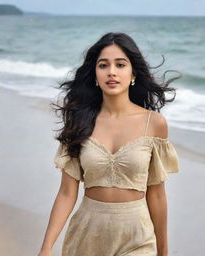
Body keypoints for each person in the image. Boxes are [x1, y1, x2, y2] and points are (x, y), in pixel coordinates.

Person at [38, 32, 181, 256]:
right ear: (95, 75)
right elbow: (67, 192)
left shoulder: (153, 124)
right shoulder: (79, 122)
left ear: (133, 72)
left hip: (137, 238)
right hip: (87, 235)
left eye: (120, 64)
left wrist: (163, 251)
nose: (111, 71)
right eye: (103, 65)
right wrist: (46, 248)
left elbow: (157, 193)